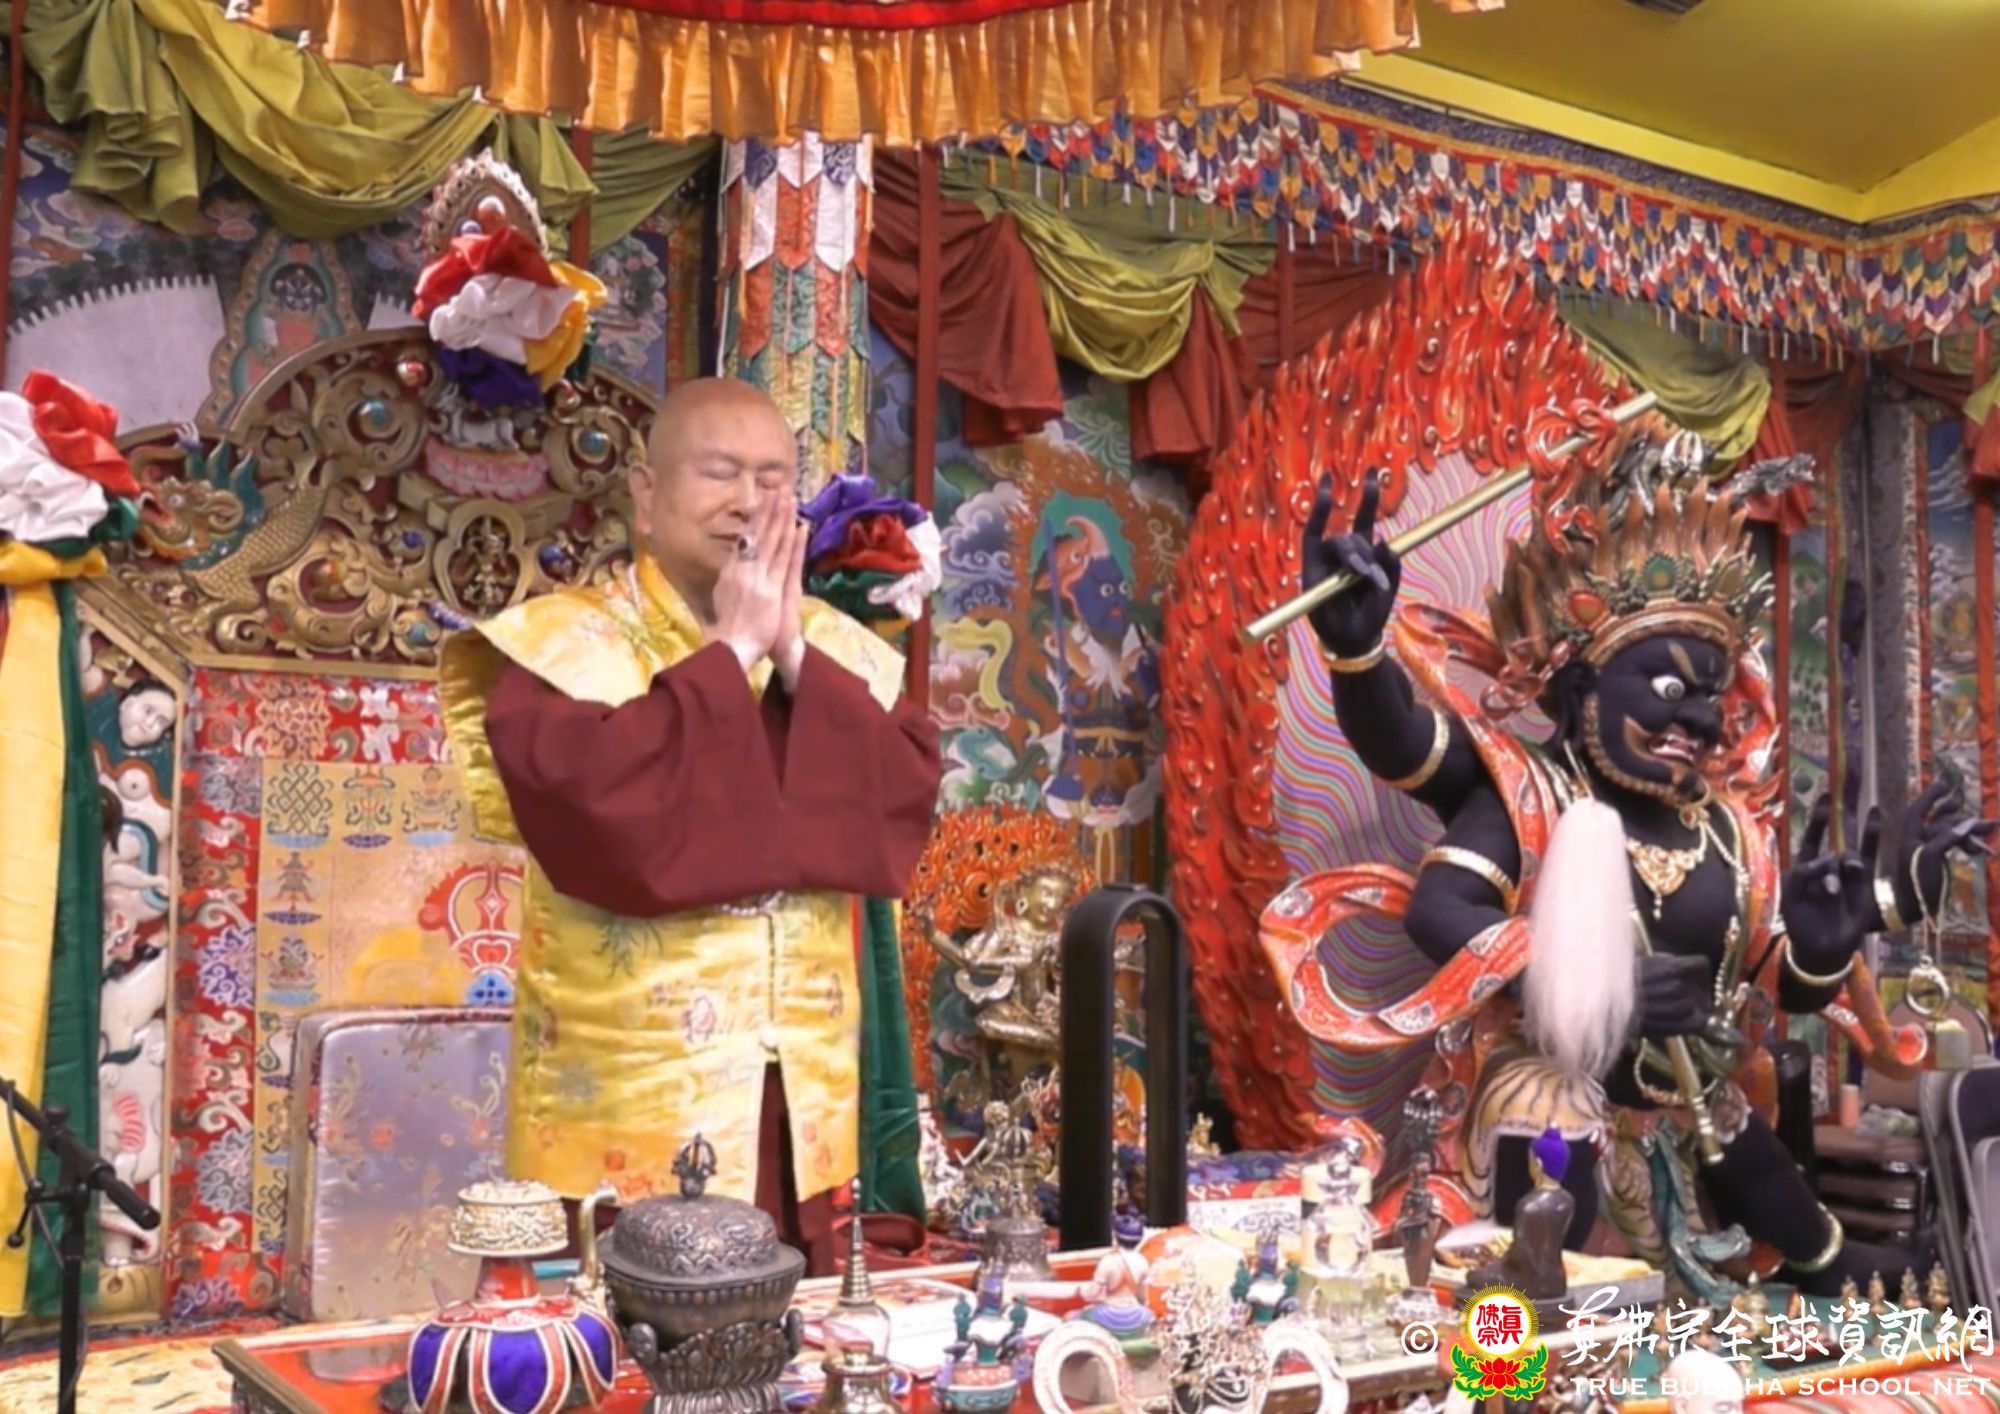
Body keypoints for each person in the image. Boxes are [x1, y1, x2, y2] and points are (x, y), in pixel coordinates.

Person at [440, 377, 942, 1272]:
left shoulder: (835, 654)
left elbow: (897, 808)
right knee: (629, 1331)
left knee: (799, 1327)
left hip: (797, 1101)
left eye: (772, 479)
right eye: (719, 473)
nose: (748, 501)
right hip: (630, 1106)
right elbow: (611, 830)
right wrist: (733, 652)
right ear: (644, 492)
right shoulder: (560, 650)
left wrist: (788, 651)